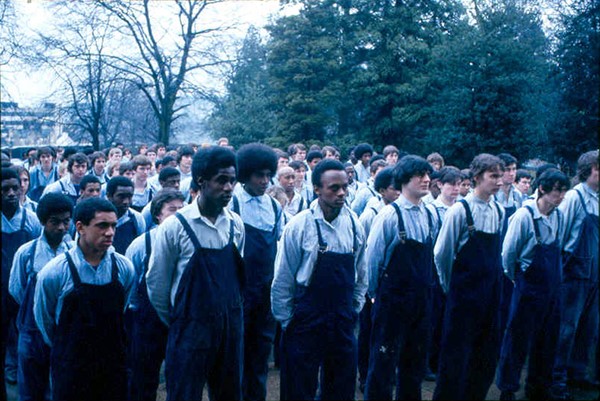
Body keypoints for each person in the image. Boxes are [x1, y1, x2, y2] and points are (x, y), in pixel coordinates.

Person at [146, 146, 245, 400]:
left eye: (232, 181)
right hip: (190, 331)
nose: (228, 188)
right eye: (221, 180)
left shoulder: (235, 224)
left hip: (229, 328)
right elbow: (157, 285)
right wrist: (182, 321)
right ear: (201, 181)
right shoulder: (175, 227)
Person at [271, 159, 367, 400]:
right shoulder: (299, 226)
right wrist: (288, 322)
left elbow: (362, 274)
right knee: (298, 388)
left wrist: (353, 310)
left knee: (341, 386)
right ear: (316, 189)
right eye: (334, 188)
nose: (341, 193)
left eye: (344, 187)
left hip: (342, 318)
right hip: (306, 319)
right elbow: (283, 279)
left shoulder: (354, 225)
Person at [33, 197, 135, 401]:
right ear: (80, 227)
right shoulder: (55, 272)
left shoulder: (124, 268)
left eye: (113, 226)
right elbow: (45, 321)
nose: (110, 232)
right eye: (102, 226)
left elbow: (123, 308)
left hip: (112, 365)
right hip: (71, 367)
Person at [433, 153, 505, 400]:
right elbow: (442, 253)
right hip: (463, 296)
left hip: (490, 295)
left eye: (500, 176)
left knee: (485, 355)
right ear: (476, 177)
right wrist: (450, 286)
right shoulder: (460, 211)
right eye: (493, 176)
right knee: (456, 355)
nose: (499, 181)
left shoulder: (498, 210)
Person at [364, 156, 436, 400]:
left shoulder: (430, 214)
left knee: (414, 362)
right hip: (392, 301)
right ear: (404, 179)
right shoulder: (389, 215)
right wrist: (375, 295)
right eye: (420, 175)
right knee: (383, 361)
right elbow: (372, 260)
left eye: (428, 175)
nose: (426, 179)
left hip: (421, 300)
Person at [496, 169, 570, 401]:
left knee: (548, 339)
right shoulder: (524, 216)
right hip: (527, 287)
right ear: (542, 189)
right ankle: (508, 388)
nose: (561, 196)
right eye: (557, 191)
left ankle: (538, 387)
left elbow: (559, 246)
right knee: (517, 339)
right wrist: (517, 279)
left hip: (551, 289)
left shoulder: (558, 216)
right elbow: (508, 254)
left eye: (564, 191)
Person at [9, 193, 74, 401]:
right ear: (43, 221)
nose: (62, 228)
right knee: (30, 386)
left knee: (60, 386)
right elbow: (16, 289)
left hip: (64, 330)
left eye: (66, 221)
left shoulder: (74, 252)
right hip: (32, 331)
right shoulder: (27, 253)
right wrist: (38, 310)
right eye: (55, 222)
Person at [231, 143, 282, 401]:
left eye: (268, 175)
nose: (264, 181)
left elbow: (278, 245)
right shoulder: (232, 203)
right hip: (240, 291)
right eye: (258, 175)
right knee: (236, 354)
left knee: (261, 352)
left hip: (265, 291)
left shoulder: (274, 206)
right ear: (245, 174)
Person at [125, 189, 185, 401]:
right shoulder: (141, 245)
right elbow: (131, 287)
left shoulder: (189, 241)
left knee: (180, 376)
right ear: (158, 214)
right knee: (144, 377)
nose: (178, 214)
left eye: (181, 209)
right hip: (147, 321)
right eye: (172, 210)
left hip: (181, 317)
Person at [552, 150, 599, 400]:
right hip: (574, 274)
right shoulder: (574, 197)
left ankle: (577, 374)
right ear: (587, 171)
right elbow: (560, 236)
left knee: (589, 328)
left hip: (595, 275)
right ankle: (556, 378)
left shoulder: (597, 198)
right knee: (567, 329)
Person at [356, 166, 399, 393]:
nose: (398, 192)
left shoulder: (399, 212)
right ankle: (365, 375)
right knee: (368, 332)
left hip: (391, 284)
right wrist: (369, 289)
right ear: (382, 191)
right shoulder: (370, 214)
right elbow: (365, 252)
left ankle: (387, 374)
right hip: (371, 282)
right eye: (394, 188)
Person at [2, 167, 43, 401]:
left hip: (23, 291)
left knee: (23, 337)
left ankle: (20, 376)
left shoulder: (31, 220)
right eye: (5, 189)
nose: (10, 193)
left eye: (14, 188)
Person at [424, 165, 462, 379]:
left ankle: (445, 361)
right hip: (435, 271)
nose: (456, 189)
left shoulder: (462, 208)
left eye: (459, 184)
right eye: (452, 184)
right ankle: (429, 362)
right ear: (439, 185)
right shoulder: (432, 210)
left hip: (457, 269)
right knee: (434, 318)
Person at [106, 177, 146, 255]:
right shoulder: (97, 217)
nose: (126, 201)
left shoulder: (137, 219)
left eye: (129, 197)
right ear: (109, 196)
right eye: (121, 197)